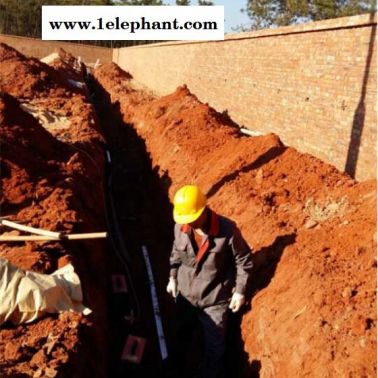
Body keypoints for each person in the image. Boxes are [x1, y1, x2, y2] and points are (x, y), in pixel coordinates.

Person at [166, 184, 253, 378]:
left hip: (214, 299)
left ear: (204, 209)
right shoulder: (180, 227)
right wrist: (172, 276)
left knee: (215, 349)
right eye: (186, 220)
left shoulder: (228, 231)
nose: (189, 224)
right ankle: (175, 368)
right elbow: (175, 253)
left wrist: (240, 291)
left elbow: (244, 260)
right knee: (180, 334)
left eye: (193, 219)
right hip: (186, 295)